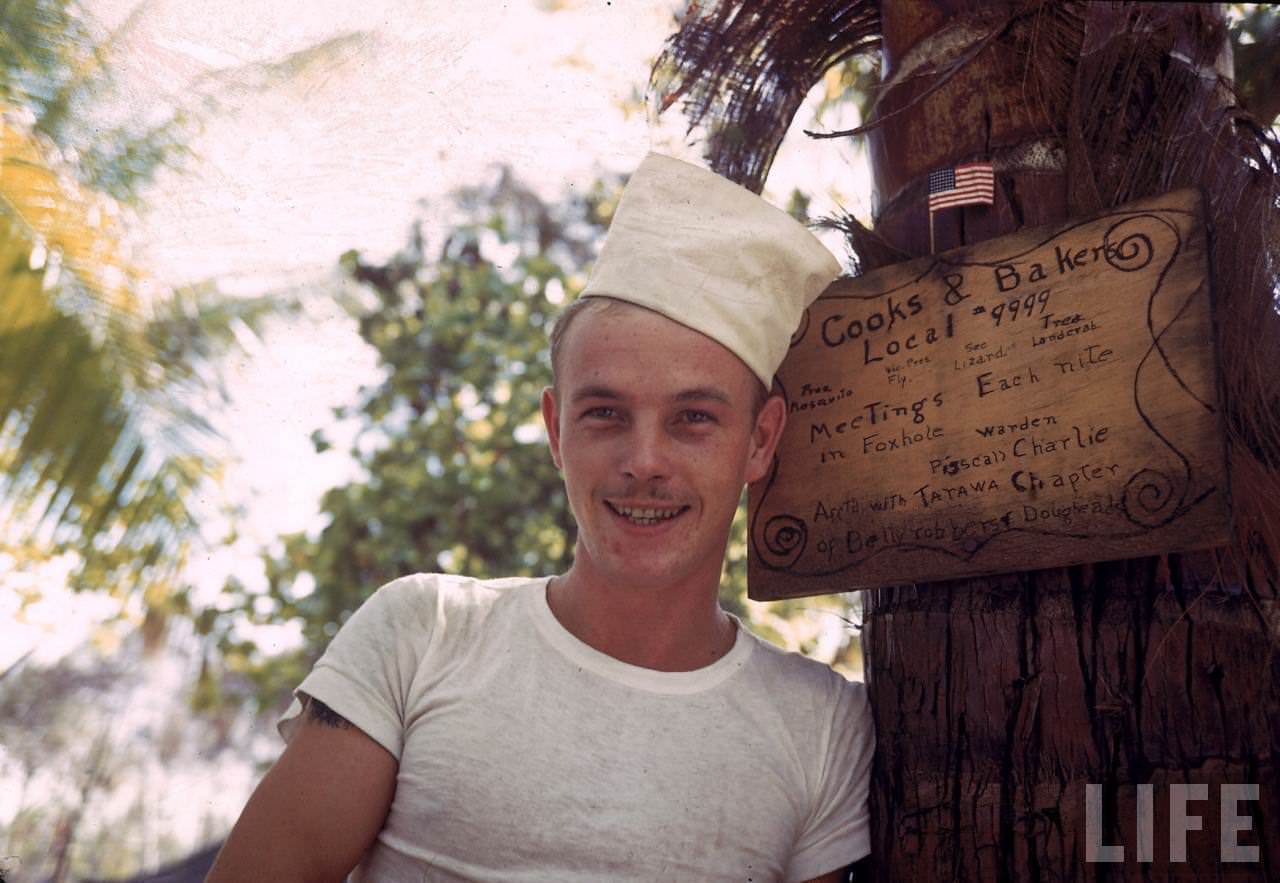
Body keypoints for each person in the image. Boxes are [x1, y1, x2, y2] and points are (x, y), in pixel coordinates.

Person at [206, 153, 874, 882]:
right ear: (556, 431)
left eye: (693, 419)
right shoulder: (422, 634)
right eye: (605, 413)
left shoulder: (820, 725)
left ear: (761, 438)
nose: (644, 459)